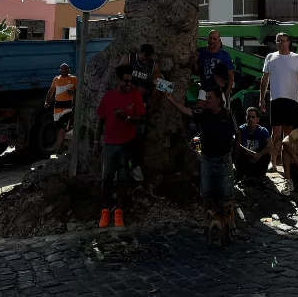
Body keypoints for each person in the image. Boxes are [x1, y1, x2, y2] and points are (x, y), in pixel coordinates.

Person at [163, 84, 239, 243]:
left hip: (225, 159)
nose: (207, 101)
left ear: (218, 100)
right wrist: (171, 99)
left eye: (210, 98)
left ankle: (230, 225)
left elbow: (237, 136)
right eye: (206, 98)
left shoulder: (228, 114)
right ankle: (206, 221)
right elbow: (186, 111)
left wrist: (234, 157)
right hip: (208, 159)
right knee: (206, 193)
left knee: (228, 194)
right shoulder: (203, 113)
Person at [93, 64, 144, 229]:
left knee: (124, 179)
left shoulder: (135, 95)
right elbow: (100, 122)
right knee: (106, 179)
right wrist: (95, 143)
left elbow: (141, 118)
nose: (129, 84)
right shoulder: (108, 97)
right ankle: (105, 211)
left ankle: (119, 212)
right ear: (117, 80)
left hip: (128, 146)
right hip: (109, 145)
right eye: (125, 81)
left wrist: (127, 118)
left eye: (131, 81)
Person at [259, 33, 298, 172]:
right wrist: (261, 98)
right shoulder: (270, 57)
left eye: (283, 40)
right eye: (278, 41)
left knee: (289, 134)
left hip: (292, 100)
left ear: (288, 42)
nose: (280, 43)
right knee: (276, 133)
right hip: (276, 99)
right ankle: (272, 163)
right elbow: (264, 80)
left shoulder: (297, 58)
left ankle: (287, 162)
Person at [121, 44, 161, 181]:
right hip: (125, 104)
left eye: (147, 59)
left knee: (139, 138)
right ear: (139, 53)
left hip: (141, 107)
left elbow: (157, 86)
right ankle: (121, 167)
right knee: (122, 136)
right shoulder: (128, 59)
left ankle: (136, 166)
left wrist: (153, 104)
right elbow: (119, 78)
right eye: (143, 58)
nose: (144, 61)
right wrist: (136, 88)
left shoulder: (153, 66)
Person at [43, 64, 78, 156]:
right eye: (61, 69)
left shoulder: (74, 79)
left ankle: (58, 149)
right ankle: (61, 146)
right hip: (57, 107)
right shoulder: (56, 79)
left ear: (68, 70)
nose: (63, 70)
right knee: (58, 129)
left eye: (65, 69)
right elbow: (51, 91)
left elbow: (79, 92)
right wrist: (47, 102)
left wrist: (73, 93)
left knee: (63, 128)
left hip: (67, 107)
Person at [234, 106, 271, 183]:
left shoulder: (263, 131)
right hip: (245, 159)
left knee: (267, 155)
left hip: (257, 159)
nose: (250, 119)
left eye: (253, 117)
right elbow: (237, 145)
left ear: (257, 119)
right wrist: (251, 153)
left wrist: (259, 154)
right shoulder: (241, 130)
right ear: (245, 118)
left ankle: (258, 175)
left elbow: (270, 145)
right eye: (248, 117)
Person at [194, 29, 234, 94]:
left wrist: (227, 91)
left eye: (214, 39)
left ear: (219, 40)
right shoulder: (201, 52)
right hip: (204, 90)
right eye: (210, 38)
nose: (212, 41)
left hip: (219, 92)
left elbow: (231, 77)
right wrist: (194, 62)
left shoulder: (225, 55)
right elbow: (197, 72)